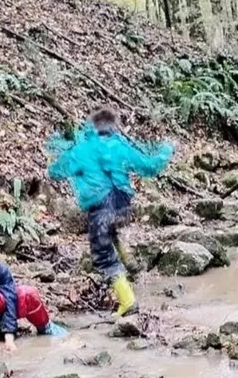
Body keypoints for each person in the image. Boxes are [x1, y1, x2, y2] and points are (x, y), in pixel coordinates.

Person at [47, 108, 174, 318]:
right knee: (111, 231)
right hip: (124, 209)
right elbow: (149, 166)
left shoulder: (82, 149)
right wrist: (165, 151)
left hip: (101, 210)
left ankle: (128, 301)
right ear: (113, 127)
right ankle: (131, 263)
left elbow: (55, 172)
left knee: (103, 257)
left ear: (92, 127)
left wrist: (63, 151)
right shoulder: (121, 146)